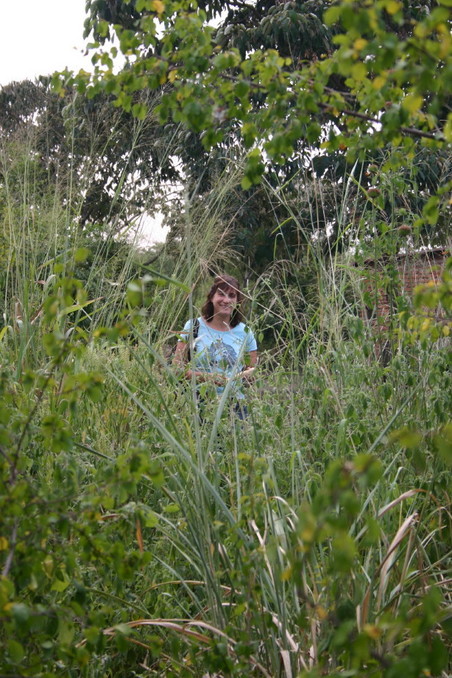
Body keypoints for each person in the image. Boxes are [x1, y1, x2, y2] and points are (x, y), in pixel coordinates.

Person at [173, 274, 258, 418]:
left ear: (237, 301)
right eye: (221, 294)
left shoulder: (245, 332)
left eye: (232, 296)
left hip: (235, 406)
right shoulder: (194, 326)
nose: (226, 300)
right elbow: (177, 369)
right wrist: (208, 378)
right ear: (211, 297)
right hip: (198, 404)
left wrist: (244, 376)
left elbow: (252, 370)